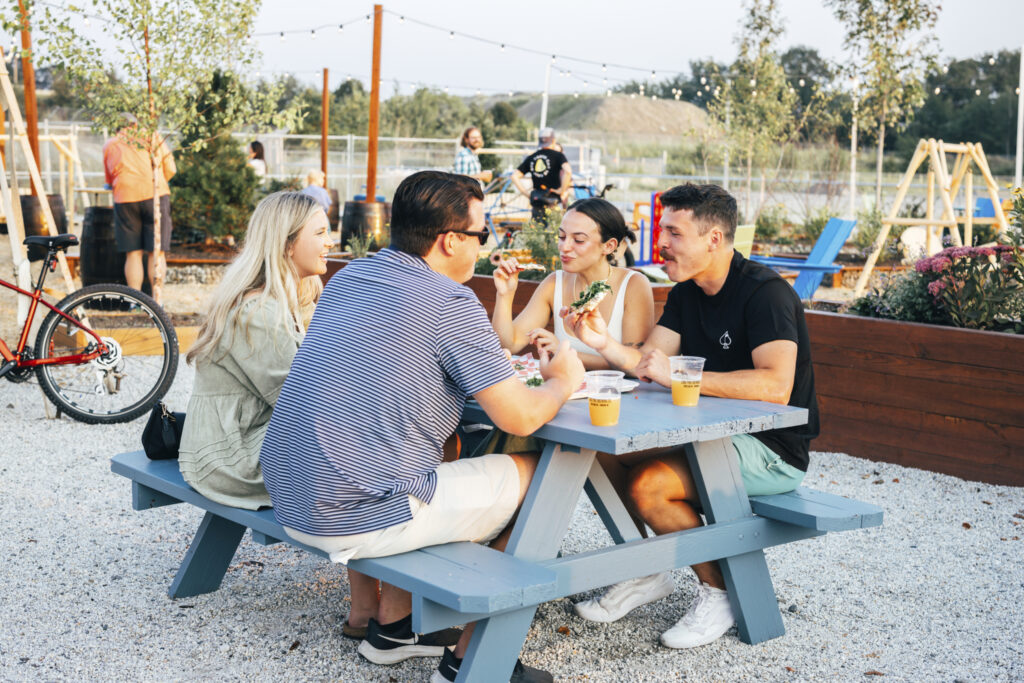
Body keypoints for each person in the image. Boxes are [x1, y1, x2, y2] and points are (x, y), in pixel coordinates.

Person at [260, 170, 584, 683]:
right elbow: (519, 415)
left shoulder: (351, 277)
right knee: (542, 478)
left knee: (442, 456)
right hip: (351, 511)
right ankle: (473, 660)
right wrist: (563, 382)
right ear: (450, 239)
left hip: (290, 492)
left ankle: (396, 628)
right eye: (482, 235)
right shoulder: (452, 302)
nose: (484, 246)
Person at [564, 183, 819, 650]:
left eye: (675, 233)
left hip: (771, 448)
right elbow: (648, 363)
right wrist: (600, 341)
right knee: (596, 450)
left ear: (714, 240)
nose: (661, 243)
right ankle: (647, 568)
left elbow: (775, 387)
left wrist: (683, 379)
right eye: (664, 230)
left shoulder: (766, 294)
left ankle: (720, 592)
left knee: (650, 485)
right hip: (706, 434)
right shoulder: (685, 293)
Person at [178, 192, 332, 510]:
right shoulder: (257, 312)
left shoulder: (291, 299)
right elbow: (302, 401)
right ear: (287, 244)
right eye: (320, 233)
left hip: (247, 438)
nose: (330, 242)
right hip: (232, 458)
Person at [491, 196, 653, 370]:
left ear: (609, 246)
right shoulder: (555, 282)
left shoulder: (633, 285)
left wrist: (563, 351)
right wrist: (505, 295)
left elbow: (635, 364)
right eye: (562, 236)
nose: (564, 246)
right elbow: (509, 344)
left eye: (579, 240)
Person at [102, 113, 176, 303]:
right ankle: (156, 300)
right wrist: (157, 183)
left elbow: (110, 179)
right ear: (136, 124)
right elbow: (171, 168)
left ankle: (134, 302)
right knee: (156, 251)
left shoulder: (111, 144)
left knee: (133, 253)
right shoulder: (152, 136)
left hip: (125, 197)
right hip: (155, 193)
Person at [511, 128, 572, 224]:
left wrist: (527, 194)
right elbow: (568, 171)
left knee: (538, 232)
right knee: (555, 232)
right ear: (553, 140)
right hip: (553, 199)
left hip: (537, 200)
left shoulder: (532, 157)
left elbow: (514, 176)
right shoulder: (558, 156)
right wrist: (561, 190)